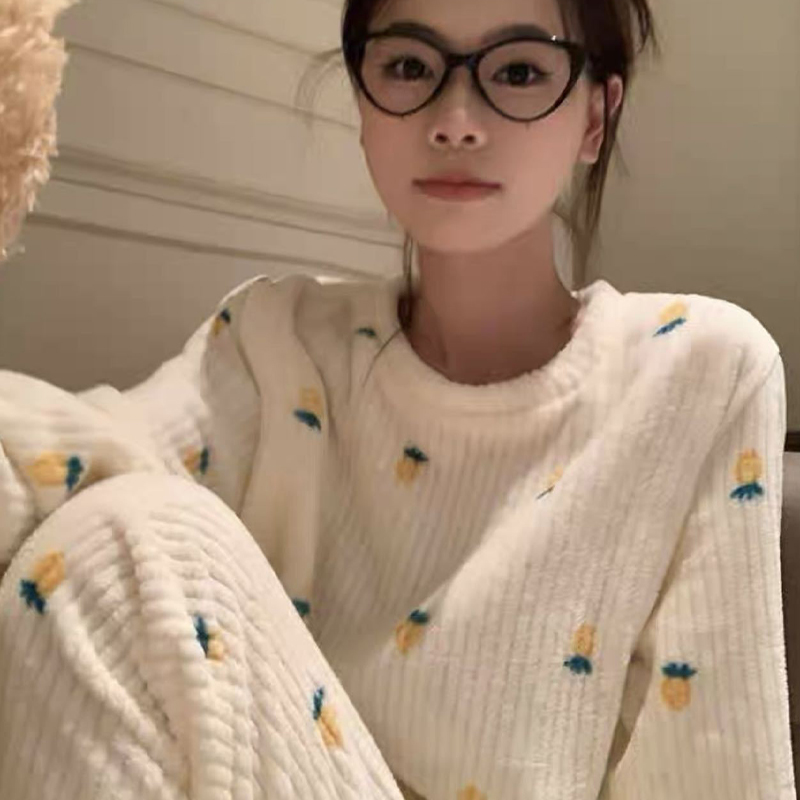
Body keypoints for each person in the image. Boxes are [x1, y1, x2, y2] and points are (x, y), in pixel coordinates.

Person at [0, 0, 795, 797]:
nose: (455, 121)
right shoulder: (278, 339)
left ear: (596, 116)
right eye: (410, 66)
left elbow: (718, 773)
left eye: (519, 71)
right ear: (363, 101)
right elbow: (59, 461)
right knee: (97, 537)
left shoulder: (699, 372)